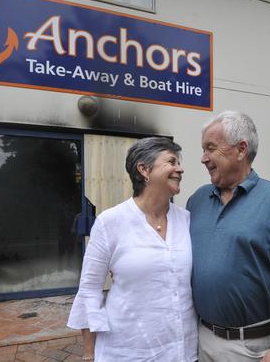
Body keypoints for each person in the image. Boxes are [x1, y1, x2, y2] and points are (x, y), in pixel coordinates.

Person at [187, 111, 270, 362]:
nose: (203, 158)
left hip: (251, 348)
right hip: (200, 340)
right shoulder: (197, 200)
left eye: (210, 148)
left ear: (241, 149)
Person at [67, 137, 197, 362]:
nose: (180, 169)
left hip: (181, 351)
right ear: (144, 169)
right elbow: (89, 289)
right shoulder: (111, 222)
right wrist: (89, 354)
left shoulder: (186, 220)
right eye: (172, 162)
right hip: (128, 351)